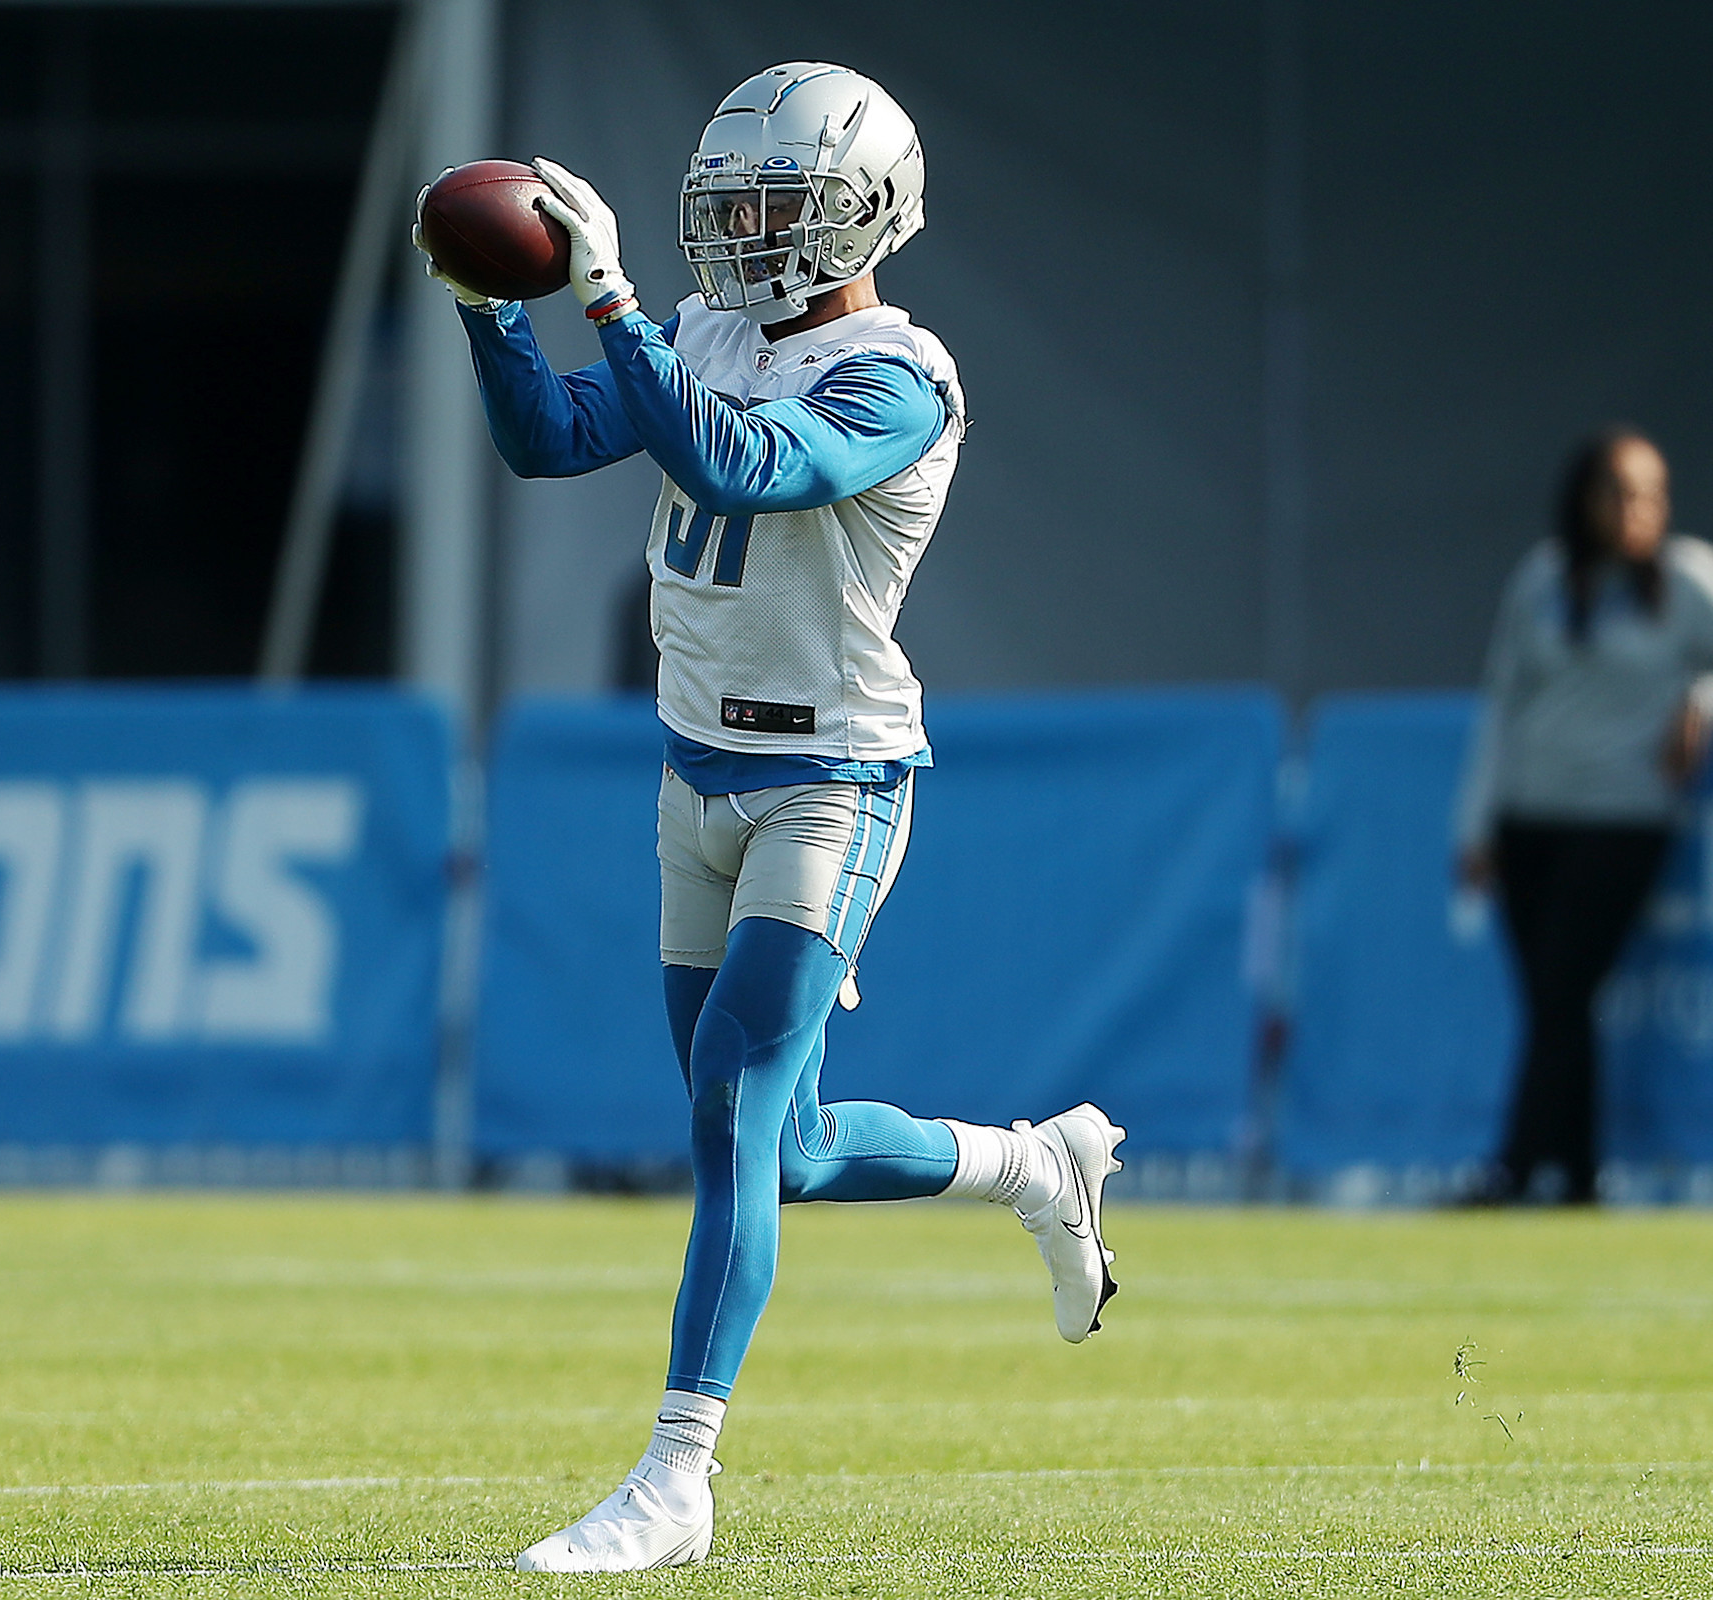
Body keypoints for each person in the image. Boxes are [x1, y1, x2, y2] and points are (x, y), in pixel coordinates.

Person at [415, 63, 1127, 1572]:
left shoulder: (901, 374)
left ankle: (678, 1475)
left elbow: (743, 459)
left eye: (778, 205)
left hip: (831, 779)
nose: (743, 234)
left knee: (736, 1101)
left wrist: (605, 295)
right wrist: (488, 302)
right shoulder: (711, 327)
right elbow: (551, 437)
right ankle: (1031, 1166)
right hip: (694, 770)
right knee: (775, 1144)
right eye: (729, 203)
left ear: (867, 213)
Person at [1454, 427, 1713, 1204]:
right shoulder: (1543, 579)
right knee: (1554, 1001)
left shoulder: (1690, 577)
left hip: (1622, 817)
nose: (1637, 509)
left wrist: (1706, 700)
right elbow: (1502, 705)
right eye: (1620, 490)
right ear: (1585, 498)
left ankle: (1513, 1167)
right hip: (1529, 817)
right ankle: (1577, 1177)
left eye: (1651, 493)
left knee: (1565, 985)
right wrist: (1474, 826)